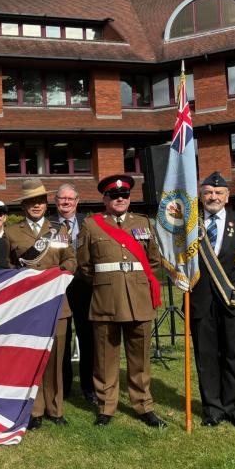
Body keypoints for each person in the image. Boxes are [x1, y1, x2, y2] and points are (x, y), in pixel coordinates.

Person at [77, 175, 166, 427]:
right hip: (106, 299)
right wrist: (108, 284)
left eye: (124, 196)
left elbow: (154, 260)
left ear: (129, 198)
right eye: (114, 196)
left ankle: (143, 405)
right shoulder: (92, 225)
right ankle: (106, 407)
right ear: (105, 199)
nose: (119, 199)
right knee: (105, 357)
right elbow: (84, 265)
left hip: (139, 299)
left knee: (140, 358)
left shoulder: (143, 223)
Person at [5, 178, 76, 429]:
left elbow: (70, 260)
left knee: (56, 358)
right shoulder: (12, 232)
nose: (36, 205)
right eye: (31, 201)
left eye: (40, 201)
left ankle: (55, 409)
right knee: (31, 357)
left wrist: (57, 275)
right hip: (27, 305)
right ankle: (34, 411)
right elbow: (8, 268)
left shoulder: (60, 230)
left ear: (46, 204)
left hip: (57, 302)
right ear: (23, 205)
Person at [190, 172, 235, 428]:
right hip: (201, 300)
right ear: (201, 197)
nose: (212, 197)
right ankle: (213, 409)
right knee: (206, 356)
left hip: (233, 300)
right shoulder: (190, 226)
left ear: (227, 197)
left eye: (218, 193)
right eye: (207, 193)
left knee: (232, 354)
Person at [51, 183, 96, 405]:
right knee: (62, 338)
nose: (66, 202)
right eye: (62, 199)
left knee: (88, 337)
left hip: (85, 287)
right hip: (59, 288)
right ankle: (64, 386)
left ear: (77, 201)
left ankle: (89, 386)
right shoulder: (48, 226)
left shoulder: (90, 223)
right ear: (56, 202)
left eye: (70, 199)